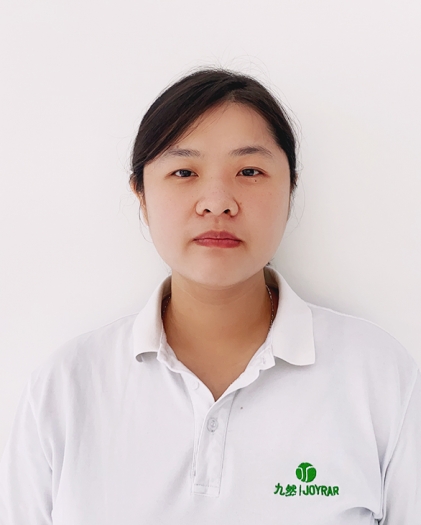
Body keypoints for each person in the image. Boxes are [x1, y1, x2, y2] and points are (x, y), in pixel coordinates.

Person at [0, 67, 420, 525]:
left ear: (291, 188)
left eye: (250, 171)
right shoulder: (65, 389)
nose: (217, 201)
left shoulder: (378, 378)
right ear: (141, 194)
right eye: (184, 171)